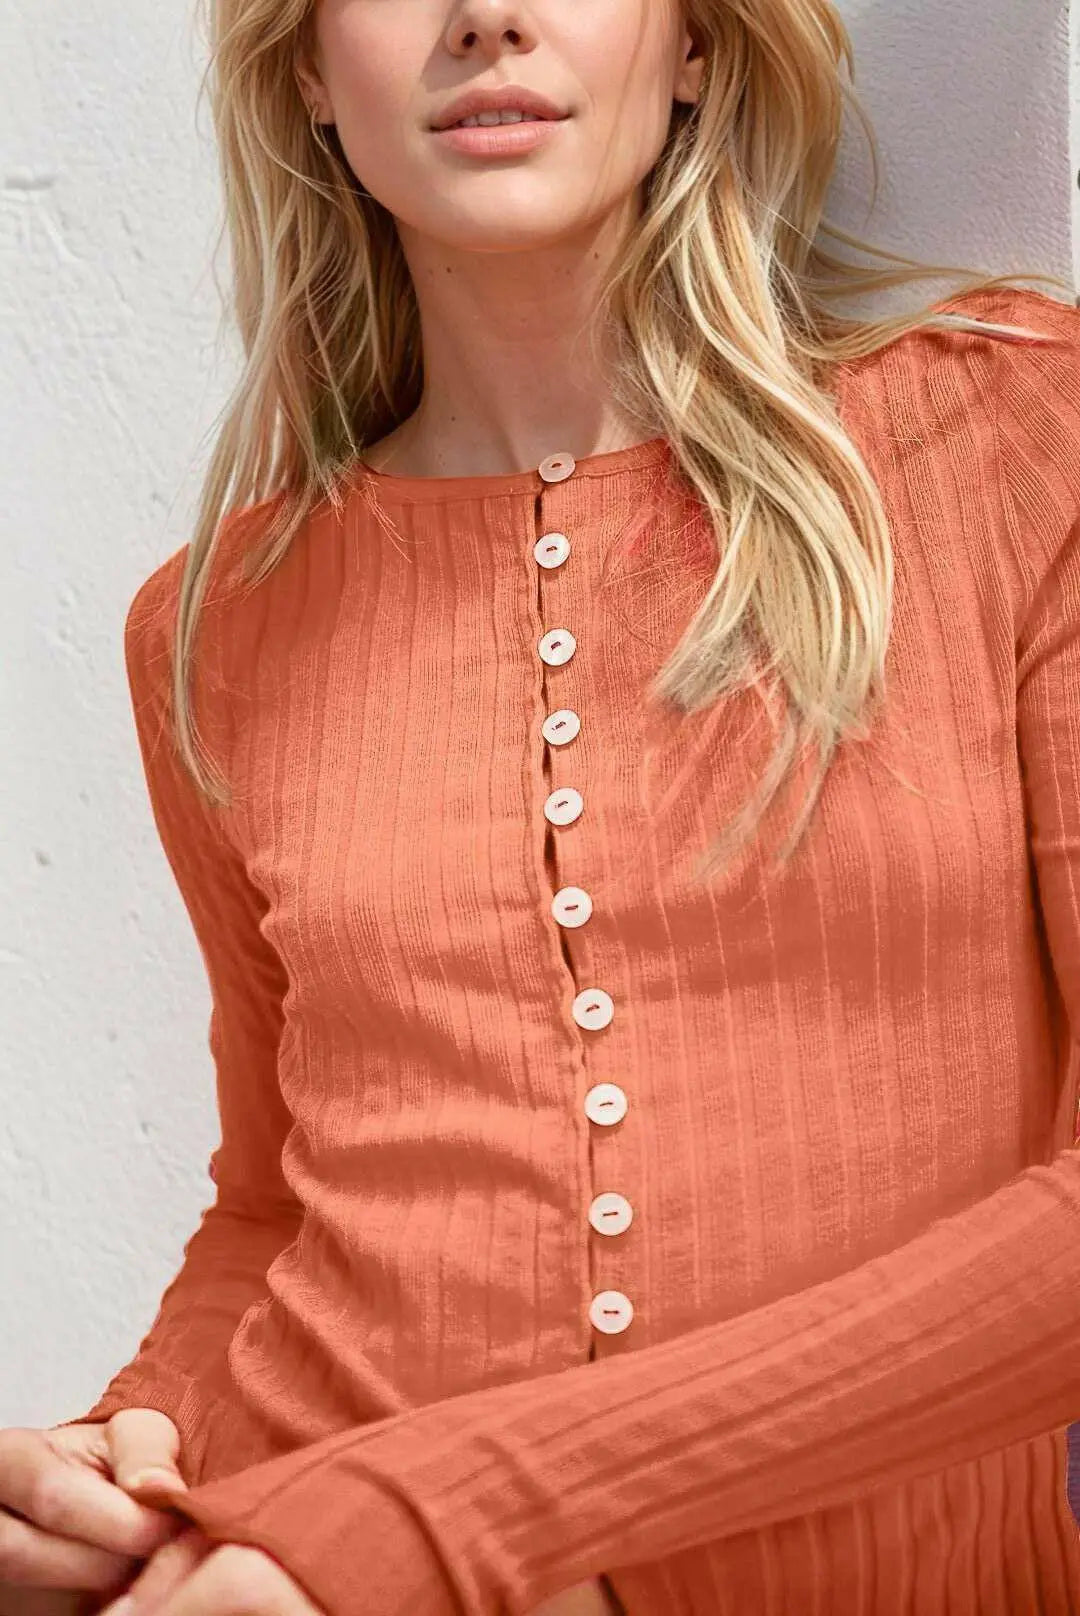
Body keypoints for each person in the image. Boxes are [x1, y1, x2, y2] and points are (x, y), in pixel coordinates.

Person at [3, 0, 1080, 1612]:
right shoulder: (212, 627)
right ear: (307, 71)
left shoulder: (1010, 438)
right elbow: (275, 1203)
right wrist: (128, 1444)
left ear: (698, 41)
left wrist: (446, 1517)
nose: (488, 18)